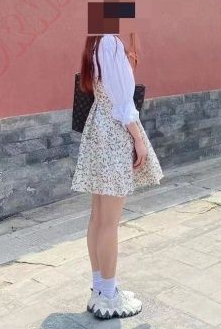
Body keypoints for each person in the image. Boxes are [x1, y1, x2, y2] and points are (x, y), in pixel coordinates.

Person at [71, 30, 164, 319]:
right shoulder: (110, 42)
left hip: (98, 127)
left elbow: (108, 90)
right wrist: (138, 138)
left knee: (98, 217)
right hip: (114, 131)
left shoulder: (96, 42)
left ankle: (100, 288)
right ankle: (109, 296)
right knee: (109, 222)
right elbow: (123, 102)